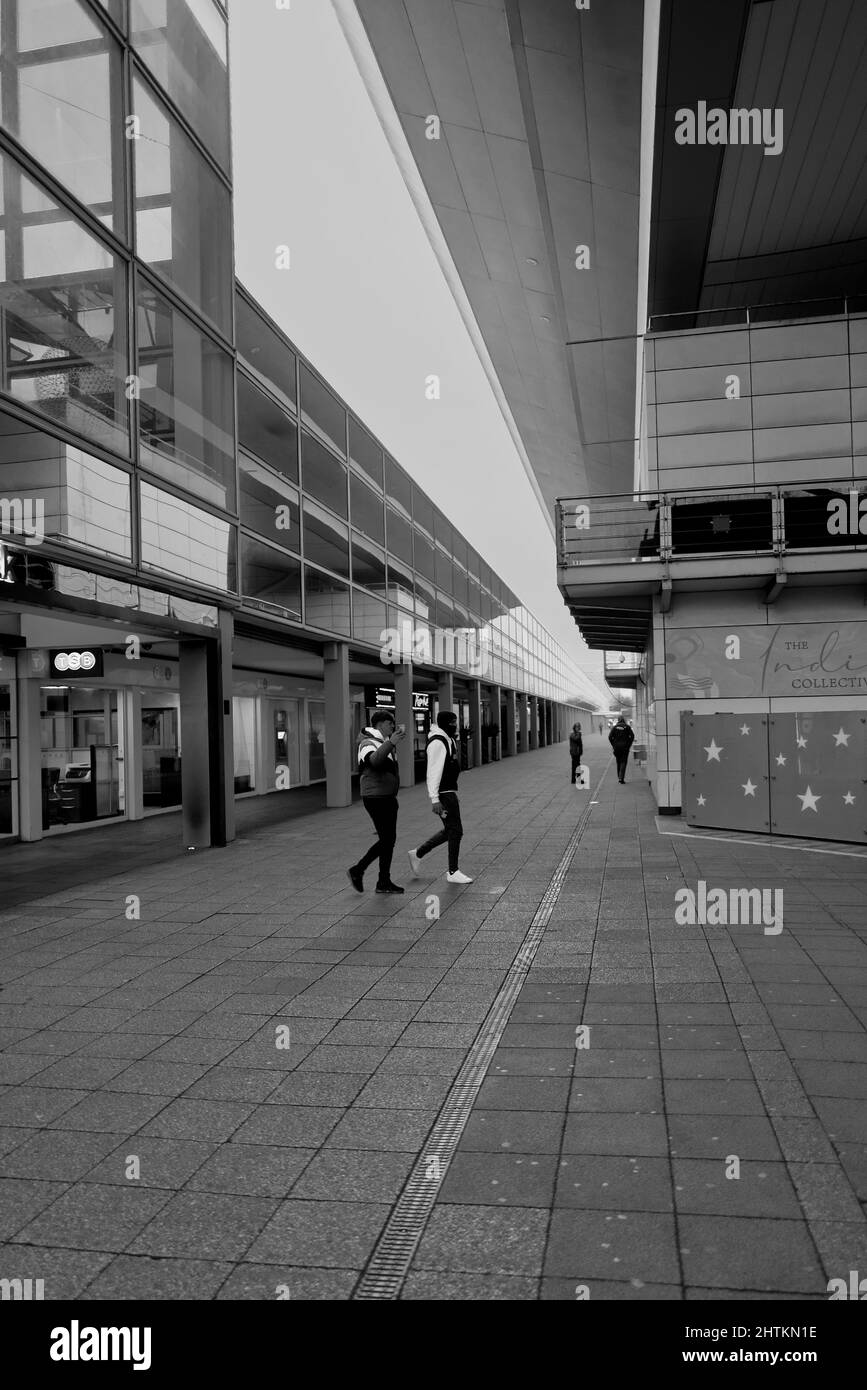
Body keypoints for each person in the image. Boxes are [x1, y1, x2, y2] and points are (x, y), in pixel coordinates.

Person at [407, 710, 473, 885]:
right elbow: (433, 772)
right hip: (443, 794)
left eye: (456, 722)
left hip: (448, 792)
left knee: (451, 830)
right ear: (444, 723)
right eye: (452, 722)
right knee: (455, 831)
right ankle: (453, 871)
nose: (455, 725)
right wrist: (434, 799)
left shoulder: (447, 739)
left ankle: (418, 853)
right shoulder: (438, 742)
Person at [347, 709, 406, 894]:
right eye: (390, 723)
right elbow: (374, 762)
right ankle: (359, 871)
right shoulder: (367, 743)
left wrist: (389, 744)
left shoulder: (381, 742)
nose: (393, 726)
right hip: (376, 797)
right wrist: (391, 743)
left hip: (385, 796)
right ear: (380, 724)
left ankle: (382, 881)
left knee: (388, 840)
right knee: (387, 839)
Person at [608, 716, 634, 784]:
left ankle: (619, 777)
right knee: (624, 762)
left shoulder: (614, 727)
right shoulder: (627, 727)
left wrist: (613, 744)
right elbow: (632, 736)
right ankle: (621, 778)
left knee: (618, 762)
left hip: (617, 748)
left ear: (618, 720)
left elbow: (610, 737)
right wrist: (629, 744)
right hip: (625, 747)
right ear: (623, 720)